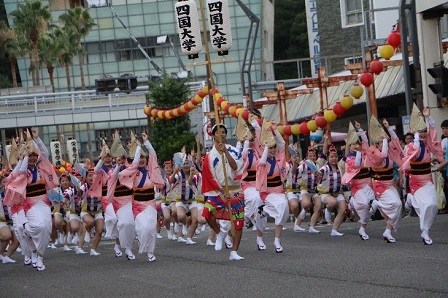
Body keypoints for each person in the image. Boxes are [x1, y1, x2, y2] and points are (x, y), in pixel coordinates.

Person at [7, 129, 59, 271]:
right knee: (39, 227)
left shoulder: (41, 167)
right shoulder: (23, 170)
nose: (32, 158)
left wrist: (36, 139)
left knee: (46, 229)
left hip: (43, 201)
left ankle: (39, 257)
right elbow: (21, 171)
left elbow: (45, 153)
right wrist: (25, 154)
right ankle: (27, 236)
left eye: (34, 156)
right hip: (28, 204)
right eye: (30, 156)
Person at [401, 106, 445, 245]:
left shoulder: (427, 144)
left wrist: (428, 118)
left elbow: (433, 134)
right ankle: (424, 231)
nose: (424, 134)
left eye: (424, 130)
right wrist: (416, 136)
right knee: (426, 206)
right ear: (415, 132)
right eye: (420, 131)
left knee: (432, 205)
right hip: (416, 182)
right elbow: (413, 152)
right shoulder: (411, 146)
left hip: (428, 180)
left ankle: (411, 201)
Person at [118, 132, 164, 262]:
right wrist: (138, 148)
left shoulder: (151, 171)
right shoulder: (133, 171)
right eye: (140, 158)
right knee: (143, 228)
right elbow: (134, 163)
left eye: (144, 157)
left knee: (151, 228)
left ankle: (150, 251)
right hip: (138, 205)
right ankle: (141, 242)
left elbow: (153, 155)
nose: (142, 160)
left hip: (151, 203)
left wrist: (146, 142)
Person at [201, 124, 245, 261]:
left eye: (224, 132)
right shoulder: (209, 156)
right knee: (207, 214)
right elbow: (211, 177)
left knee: (238, 222)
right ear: (213, 135)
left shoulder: (234, 150)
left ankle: (234, 252)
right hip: (219, 192)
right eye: (219, 133)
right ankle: (219, 233)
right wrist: (221, 190)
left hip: (235, 190)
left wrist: (225, 151)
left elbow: (235, 167)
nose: (222, 135)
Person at [255, 122, 289, 252]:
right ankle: (260, 238)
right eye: (271, 147)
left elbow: (282, 144)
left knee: (284, 209)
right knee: (279, 207)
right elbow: (263, 161)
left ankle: (277, 239)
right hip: (267, 193)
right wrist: (266, 146)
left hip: (279, 191)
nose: (274, 149)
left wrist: (276, 131)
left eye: (274, 147)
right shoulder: (261, 161)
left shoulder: (279, 158)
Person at [342, 121, 375, 240]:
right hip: (357, 187)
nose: (356, 146)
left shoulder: (365, 154)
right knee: (366, 203)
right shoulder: (350, 159)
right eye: (353, 144)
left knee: (373, 205)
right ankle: (352, 202)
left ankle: (362, 228)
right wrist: (358, 153)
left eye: (358, 144)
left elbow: (365, 142)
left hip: (367, 184)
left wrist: (360, 130)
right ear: (349, 146)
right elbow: (357, 165)